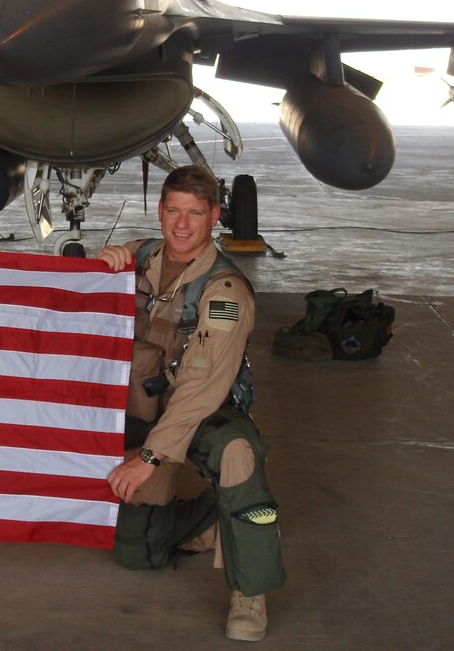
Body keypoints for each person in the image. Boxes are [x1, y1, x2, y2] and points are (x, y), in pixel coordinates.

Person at [97, 165, 285, 642]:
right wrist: (104, 265)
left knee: (237, 455)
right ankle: (207, 519)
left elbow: (200, 389)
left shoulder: (225, 293)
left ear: (215, 217)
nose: (182, 225)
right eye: (174, 211)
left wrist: (151, 458)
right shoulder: (142, 259)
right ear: (160, 212)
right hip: (142, 409)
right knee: (137, 554)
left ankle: (250, 590)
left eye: (195, 214)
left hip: (201, 413)